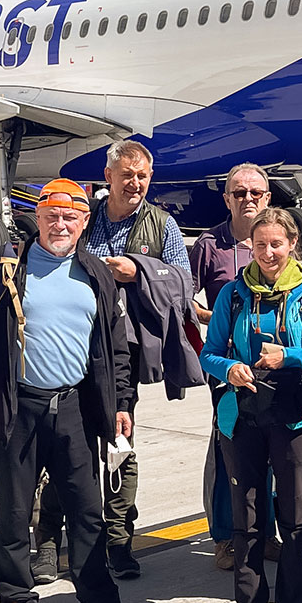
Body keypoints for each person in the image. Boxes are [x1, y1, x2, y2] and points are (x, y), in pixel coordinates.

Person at [0, 180, 143, 603]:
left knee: (88, 516)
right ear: (39, 219)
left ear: (85, 222)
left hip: (74, 411)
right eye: (52, 215)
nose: (60, 224)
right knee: (13, 514)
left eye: (70, 217)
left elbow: (114, 345)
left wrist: (122, 404)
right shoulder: (7, 266)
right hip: (17, 410)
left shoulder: (96, 273)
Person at [200, 206, 302, 603]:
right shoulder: (234, 296)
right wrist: (231, 367)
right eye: (259, 245)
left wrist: (290, 357)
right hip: (242, 415)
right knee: (247, 521)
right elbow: (209, 353)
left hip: (296, 415)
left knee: (298, 521)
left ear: (292, 245)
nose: (268, 253)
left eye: (276, 244)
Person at [83, 138, 191, 580]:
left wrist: (138, 271)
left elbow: (184, 283)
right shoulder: (84, 217)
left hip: (123, 350)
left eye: (143, 176)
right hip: (77, 342)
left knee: (118, 440)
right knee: (68, 441)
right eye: (127, 175)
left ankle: (119, 539)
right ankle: (54, 534)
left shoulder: (162, 225)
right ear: (108, 177)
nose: (136, 184)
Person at [193, 164, 272, 569]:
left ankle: (266, 532)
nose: (248, 199)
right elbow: (186, 299)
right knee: (229, 452)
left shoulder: (278, 241)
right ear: (226, 199)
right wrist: (214, 319)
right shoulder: (211, 245)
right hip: (227, 368)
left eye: (255, 192)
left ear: (268, 197)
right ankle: (225, 536)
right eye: (238, 193)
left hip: (273, 367)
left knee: (272, 451)